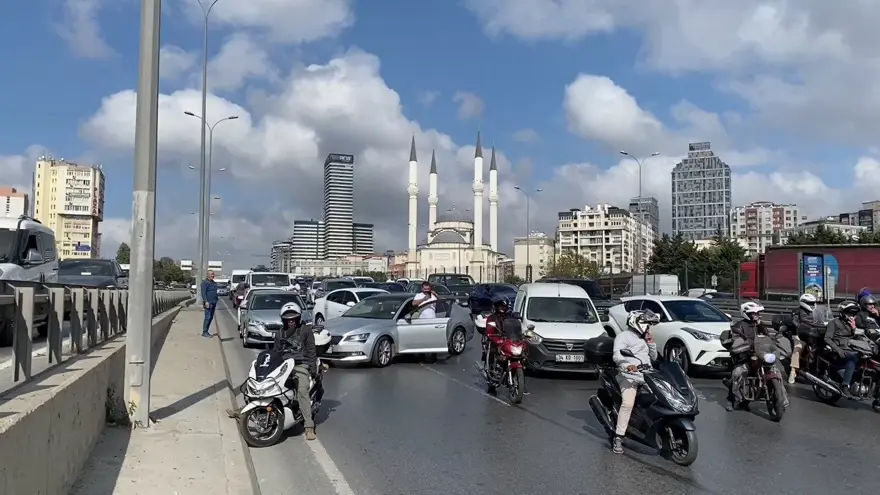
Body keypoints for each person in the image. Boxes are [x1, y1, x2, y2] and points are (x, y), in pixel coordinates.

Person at [611, 310, 659, 454]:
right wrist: (627, 366)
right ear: (635, 322)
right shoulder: (623, 337)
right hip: (629, 376)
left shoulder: (645, 338)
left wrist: (651, 344)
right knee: (628, 403)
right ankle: (618, 437)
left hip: (647, 375)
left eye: (649, 325)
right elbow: (617, 356)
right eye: (646, 324)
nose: (648, 327)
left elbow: (654, 358)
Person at [726, 301, 790, 410]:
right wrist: (741, 347)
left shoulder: (759, 325)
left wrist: (774, 341)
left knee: (777, 372)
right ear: (746, 313)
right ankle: (732, 399)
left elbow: (767, 337)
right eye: (754, 313)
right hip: (745, 356)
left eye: (758, 313)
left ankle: (782, 400)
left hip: (761, 355)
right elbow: (736, 339)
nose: (757, 315)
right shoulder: (739, 326)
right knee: (738, 373)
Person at [824, 300, 862, 400]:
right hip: (837, 351)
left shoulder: (852, 324)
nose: (851, 316)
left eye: (854, 314)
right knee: (852, 359)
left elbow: (857, 338)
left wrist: (854, 328)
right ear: (842, 313)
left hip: (851, 349)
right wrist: (838, 350)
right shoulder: (834, 323)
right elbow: (827, 338)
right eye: (849, 313)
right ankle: (845, 386)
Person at [788, 293, 818, 384]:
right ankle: (792, 372)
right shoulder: (796, 311)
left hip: (814, 334)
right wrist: (800, 326)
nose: (812, 305)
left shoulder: (816, 311)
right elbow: (794, 321)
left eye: (813, 303)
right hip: (800, 335)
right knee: (798, 349)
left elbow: (823, 319)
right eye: (810, 303)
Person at [200, 270, 218, 338]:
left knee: (211, 317)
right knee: (207, 317)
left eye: (213, 274)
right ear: (207, 275)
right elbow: (203, 293)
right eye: (211, 274)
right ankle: (204, 332)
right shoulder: (204, 283)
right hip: (208, 303)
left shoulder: (214, 283)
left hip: (214, 302)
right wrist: (206, 301)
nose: (213, 275)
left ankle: (206, 331)